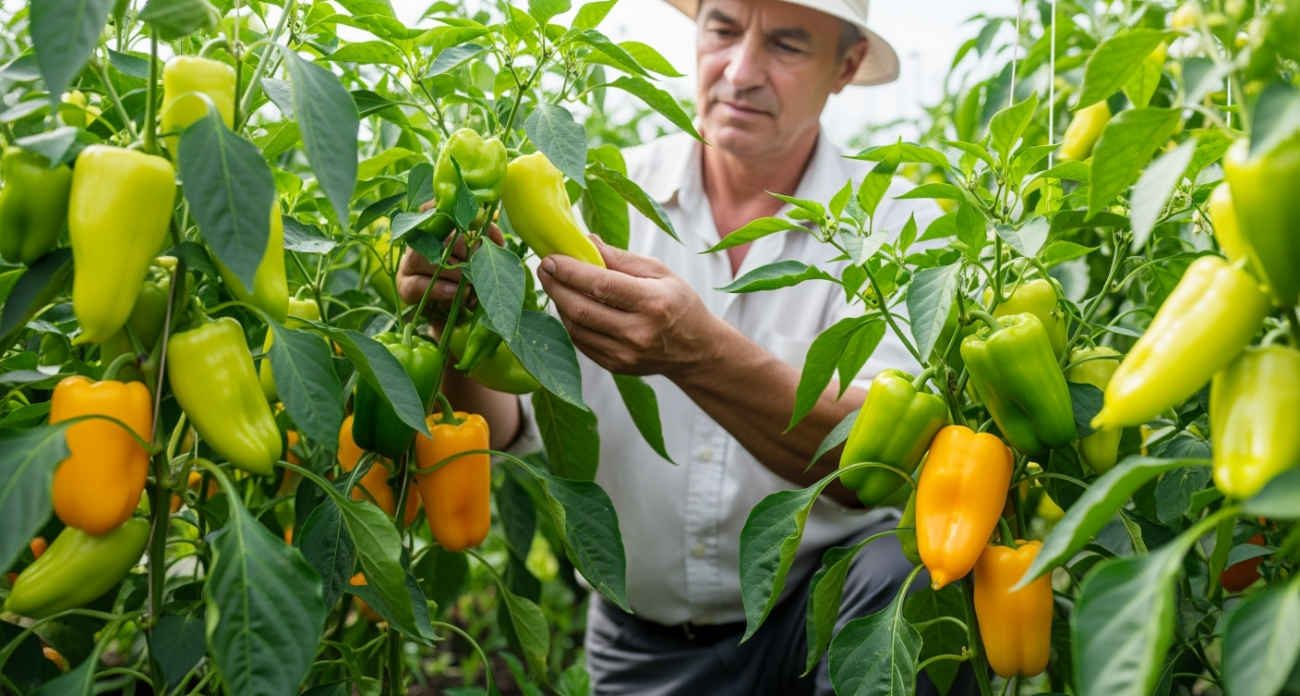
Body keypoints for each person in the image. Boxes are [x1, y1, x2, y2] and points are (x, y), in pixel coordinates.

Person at [398, 0, 973, 693]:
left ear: (846, 65)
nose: (740, 69)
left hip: (825, 616)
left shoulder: (897, 225)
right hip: (644, 640)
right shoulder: (589, 192)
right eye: (723, 28)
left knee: (896, 578)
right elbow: (513, 419)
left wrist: (697, 352)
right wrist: (453, 319)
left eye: (788, 45)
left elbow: (874, 472)